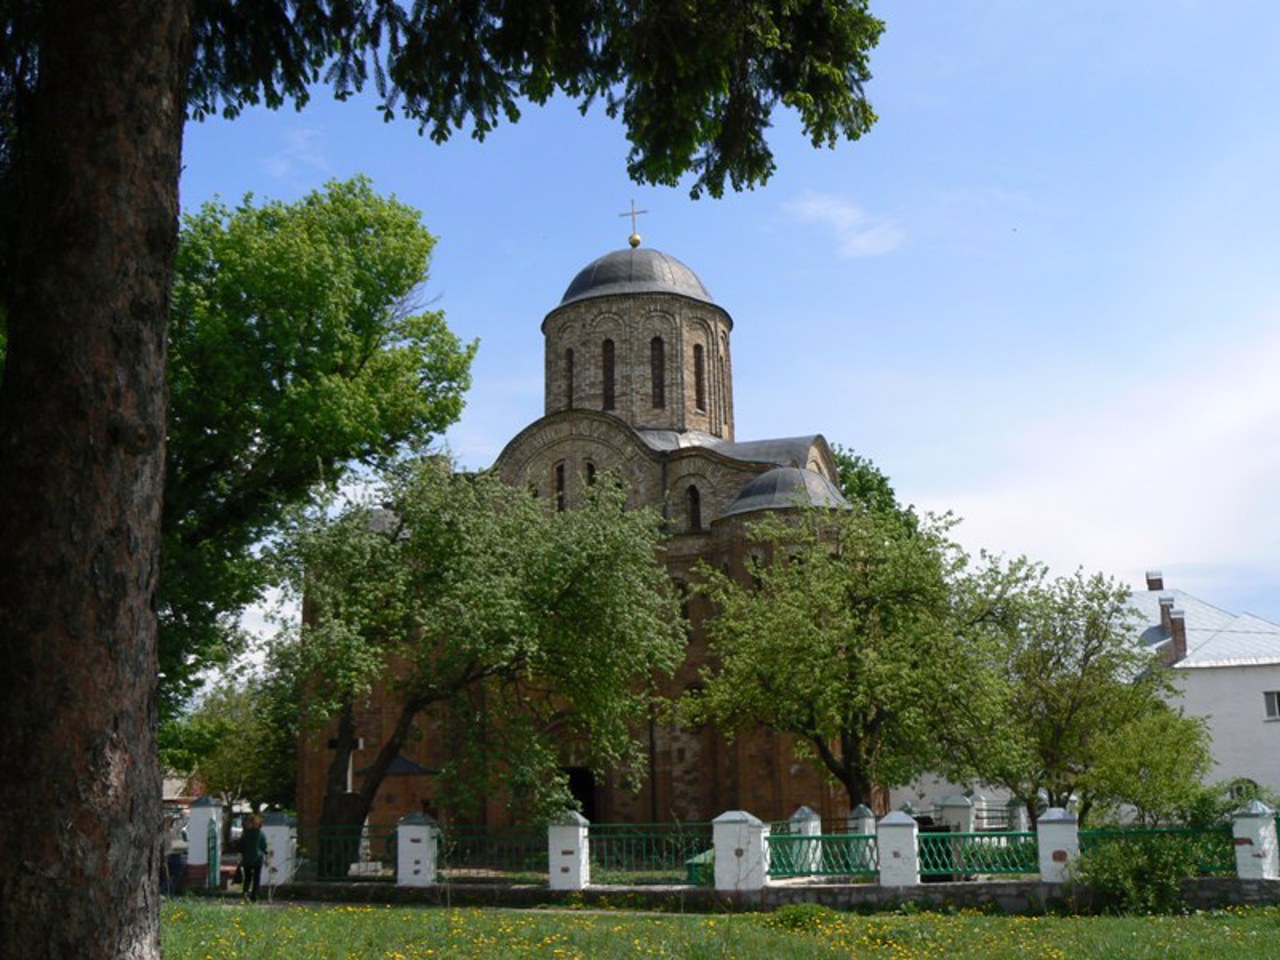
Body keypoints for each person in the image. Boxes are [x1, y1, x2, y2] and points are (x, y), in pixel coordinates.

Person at [240, 815, 269, 902]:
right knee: (257, 878)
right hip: (258, 859)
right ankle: (254, 896)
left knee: (247, 878)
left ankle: (245, 893)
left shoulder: (246, 834)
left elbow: (241, 845)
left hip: (247, 859)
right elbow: (264, 846)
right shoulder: (260, 834)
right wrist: (267, 854)